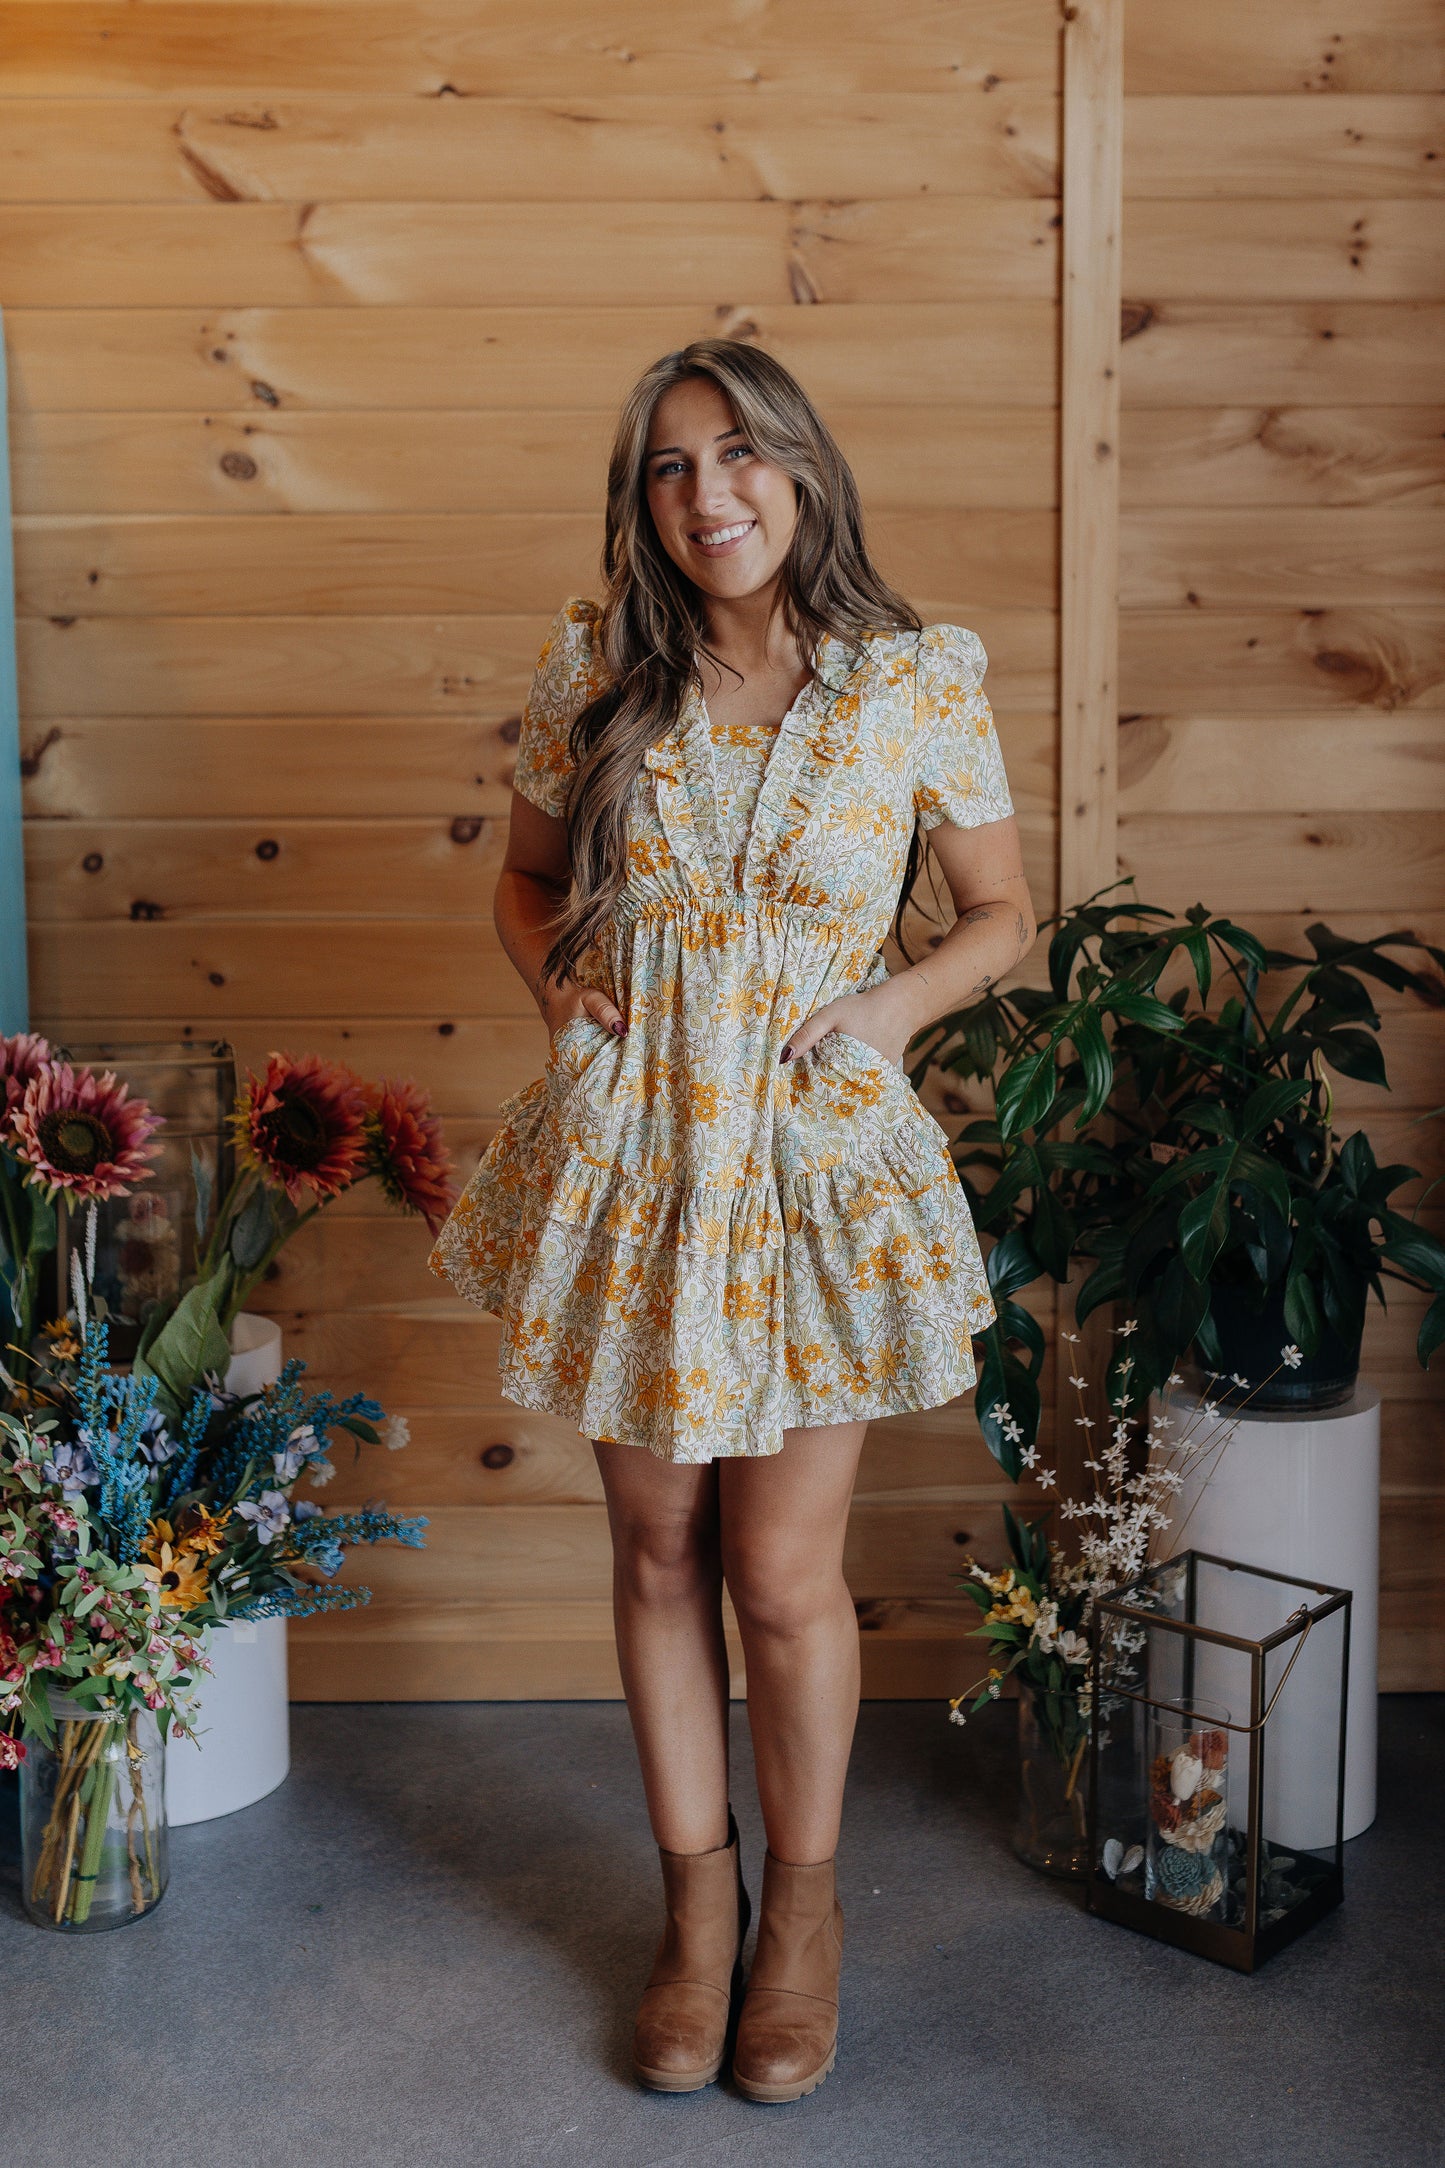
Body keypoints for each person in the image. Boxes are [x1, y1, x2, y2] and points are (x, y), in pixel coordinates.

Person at [431, 339, 1036, 2103]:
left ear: (804, 469)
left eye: (744, 454)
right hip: (638, 1160)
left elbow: (999, 910)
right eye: (674, 467)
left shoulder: (915, 677)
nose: (713, 494)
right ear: (644, 501)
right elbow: (525, 877)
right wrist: (565, 999)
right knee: (652, 1556)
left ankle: (805, 1920)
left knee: (779, 1577)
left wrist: (887, 1011)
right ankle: (696, 1911)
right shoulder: (598, 663)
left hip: (809, 1164)